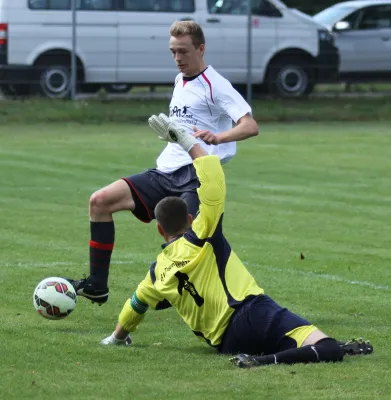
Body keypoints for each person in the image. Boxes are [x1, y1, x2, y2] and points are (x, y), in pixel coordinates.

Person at [99, 117, 373, 368]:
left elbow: (134, 307)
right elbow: (213, 181)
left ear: (160, 229)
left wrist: (117, 338)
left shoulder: (155, 273)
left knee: (294, 341)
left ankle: (293, 352)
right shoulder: (203, 234)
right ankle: (267, 361)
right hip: (253, 312)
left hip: (226, 342)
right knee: (326, 348)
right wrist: (188, 142)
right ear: (191, 217)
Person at [68, 20, 259, 305]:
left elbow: (249, 125)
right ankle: (97, 285)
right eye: (173, 52)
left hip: (197, 177)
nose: (177, 58)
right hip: (165, 171)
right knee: (100, 201)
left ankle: (193, 292)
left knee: (192, 244)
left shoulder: (215, 85)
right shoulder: (180, 80)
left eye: (183, 51)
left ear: (201, 48)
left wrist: (218, 137)